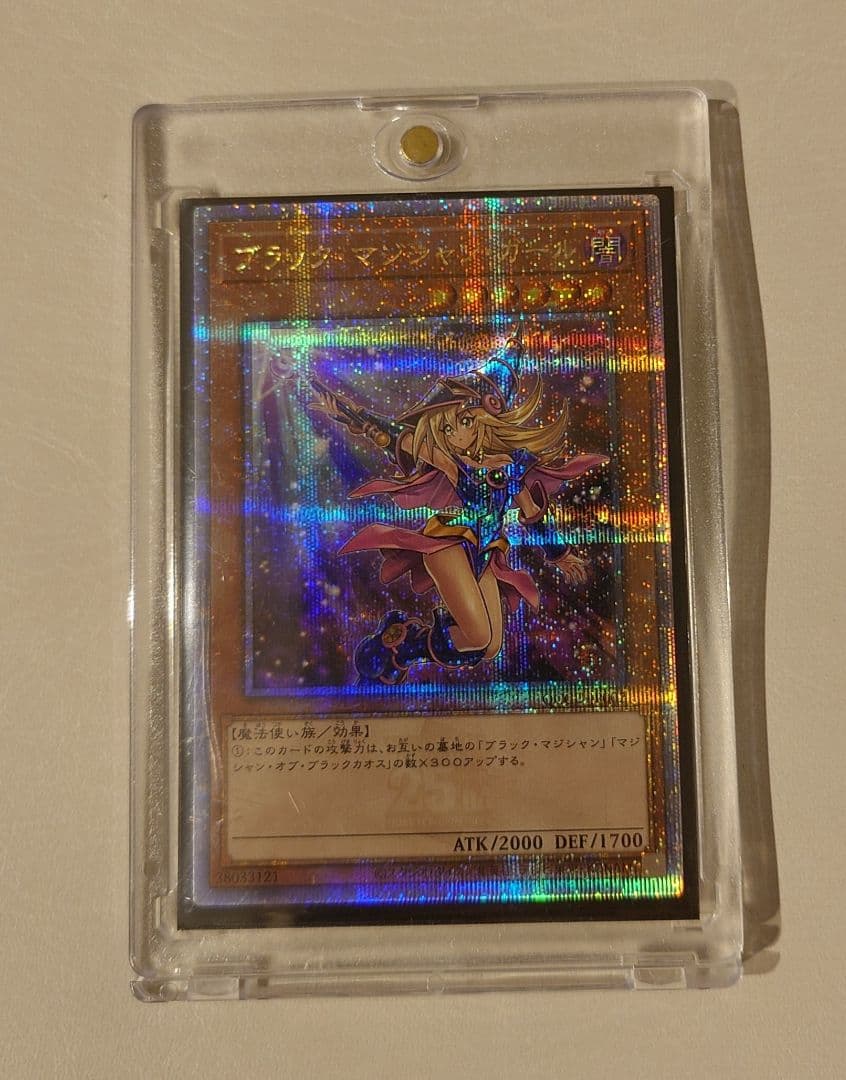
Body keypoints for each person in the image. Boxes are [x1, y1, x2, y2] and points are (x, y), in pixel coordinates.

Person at [310, 324, 609, 684]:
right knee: (479, 636)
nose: (453, 433)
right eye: (447, 426)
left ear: (487, 420)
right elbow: (390, 434)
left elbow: (531, 514)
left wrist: (559, 554)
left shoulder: (513, 464)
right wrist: (345, 412)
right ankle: (399, 647)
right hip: (448, 542)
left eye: (463, 421)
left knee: (489, 647)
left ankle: (404, 645)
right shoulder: (450, 461)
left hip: (485, 551)